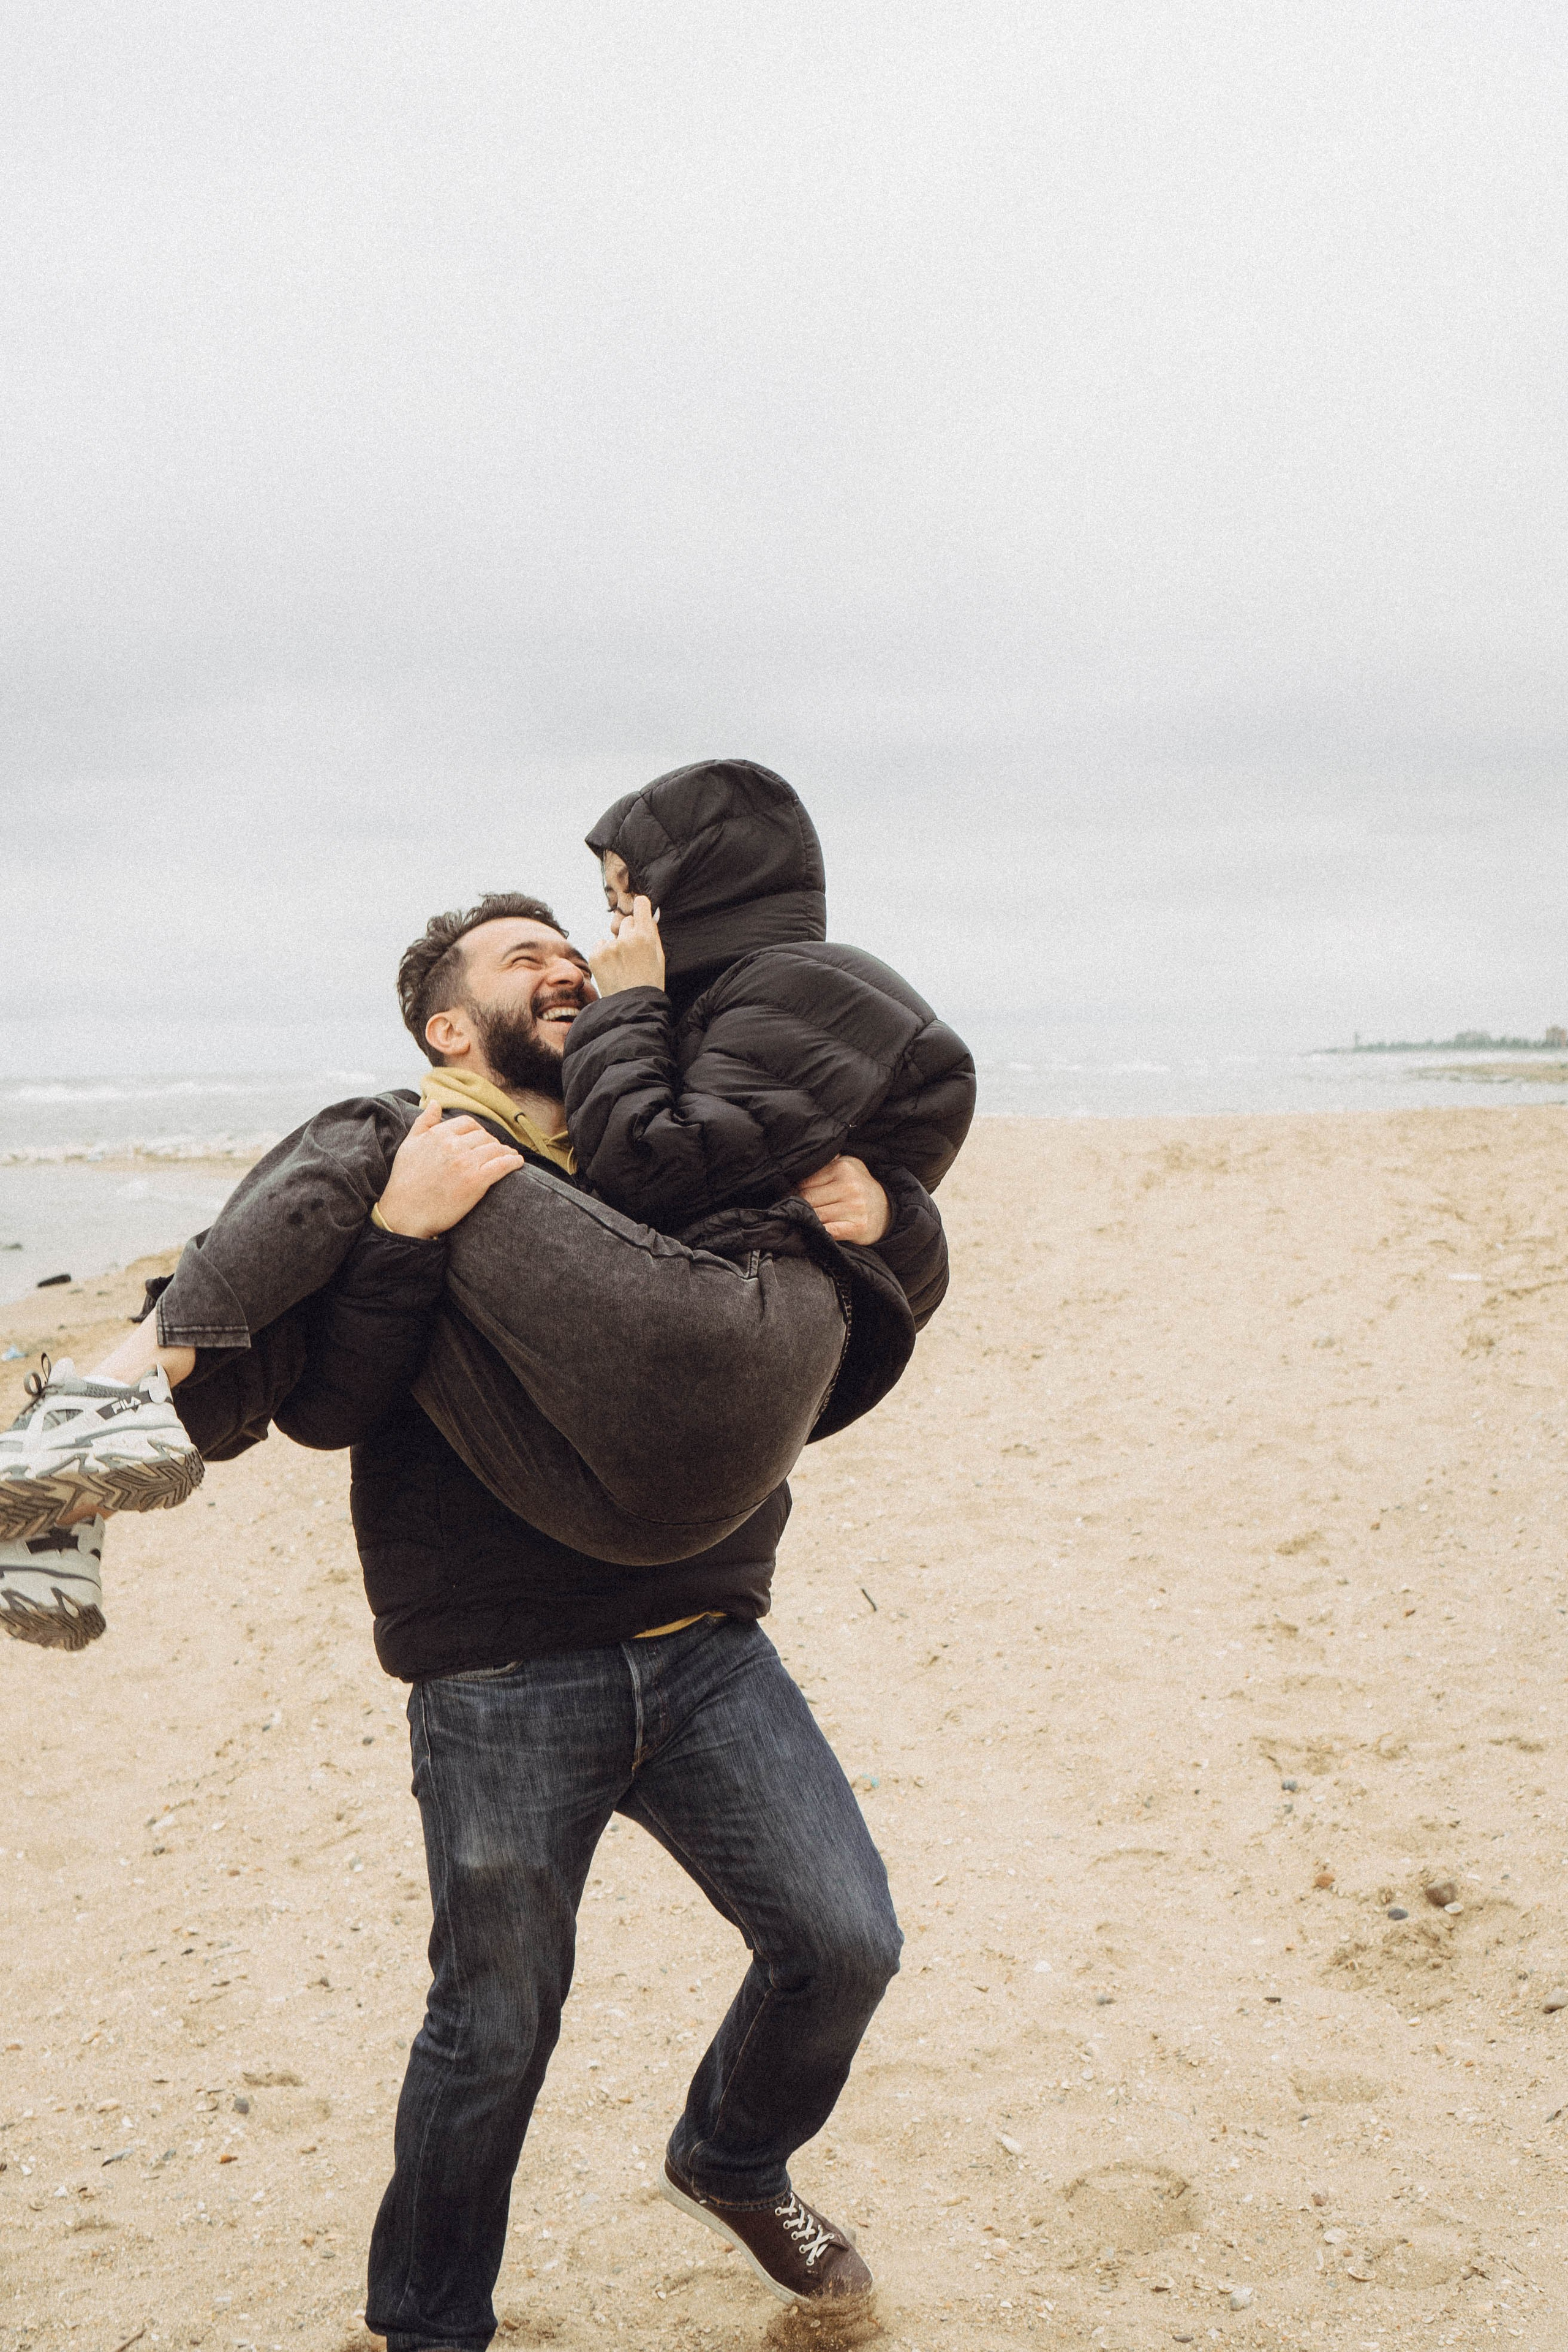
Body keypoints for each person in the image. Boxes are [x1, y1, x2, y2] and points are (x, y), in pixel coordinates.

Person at [0, 760, 973, 1618]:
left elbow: (814, 1184)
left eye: (575, 951)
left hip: (700, 1527)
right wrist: (398, 1238)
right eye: (526, 960)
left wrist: (893, 1214)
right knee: (379, 1190)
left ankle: (91, 1410)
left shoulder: (657, 1089)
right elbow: (329, 1412)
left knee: (385, 1131)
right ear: (450, 1031)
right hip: (562, 1534)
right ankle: (75, 1496)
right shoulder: (436, 1181)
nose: (573, 968)